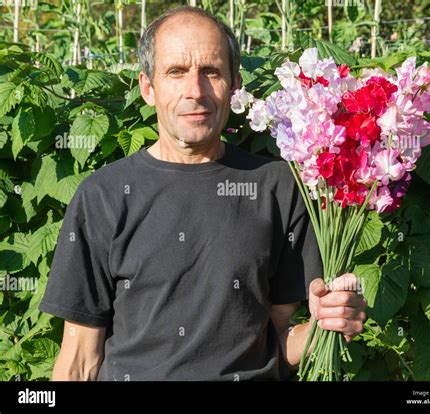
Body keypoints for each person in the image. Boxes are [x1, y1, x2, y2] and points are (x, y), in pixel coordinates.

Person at [39, 6, 367, 381]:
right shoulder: (103, 195)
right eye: (176, 72)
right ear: (148, 87)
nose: (195, 91)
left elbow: (279, 339)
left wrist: (331, 322)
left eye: (211, 72)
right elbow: (80, 356)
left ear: (235, 85)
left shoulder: (277, 186)